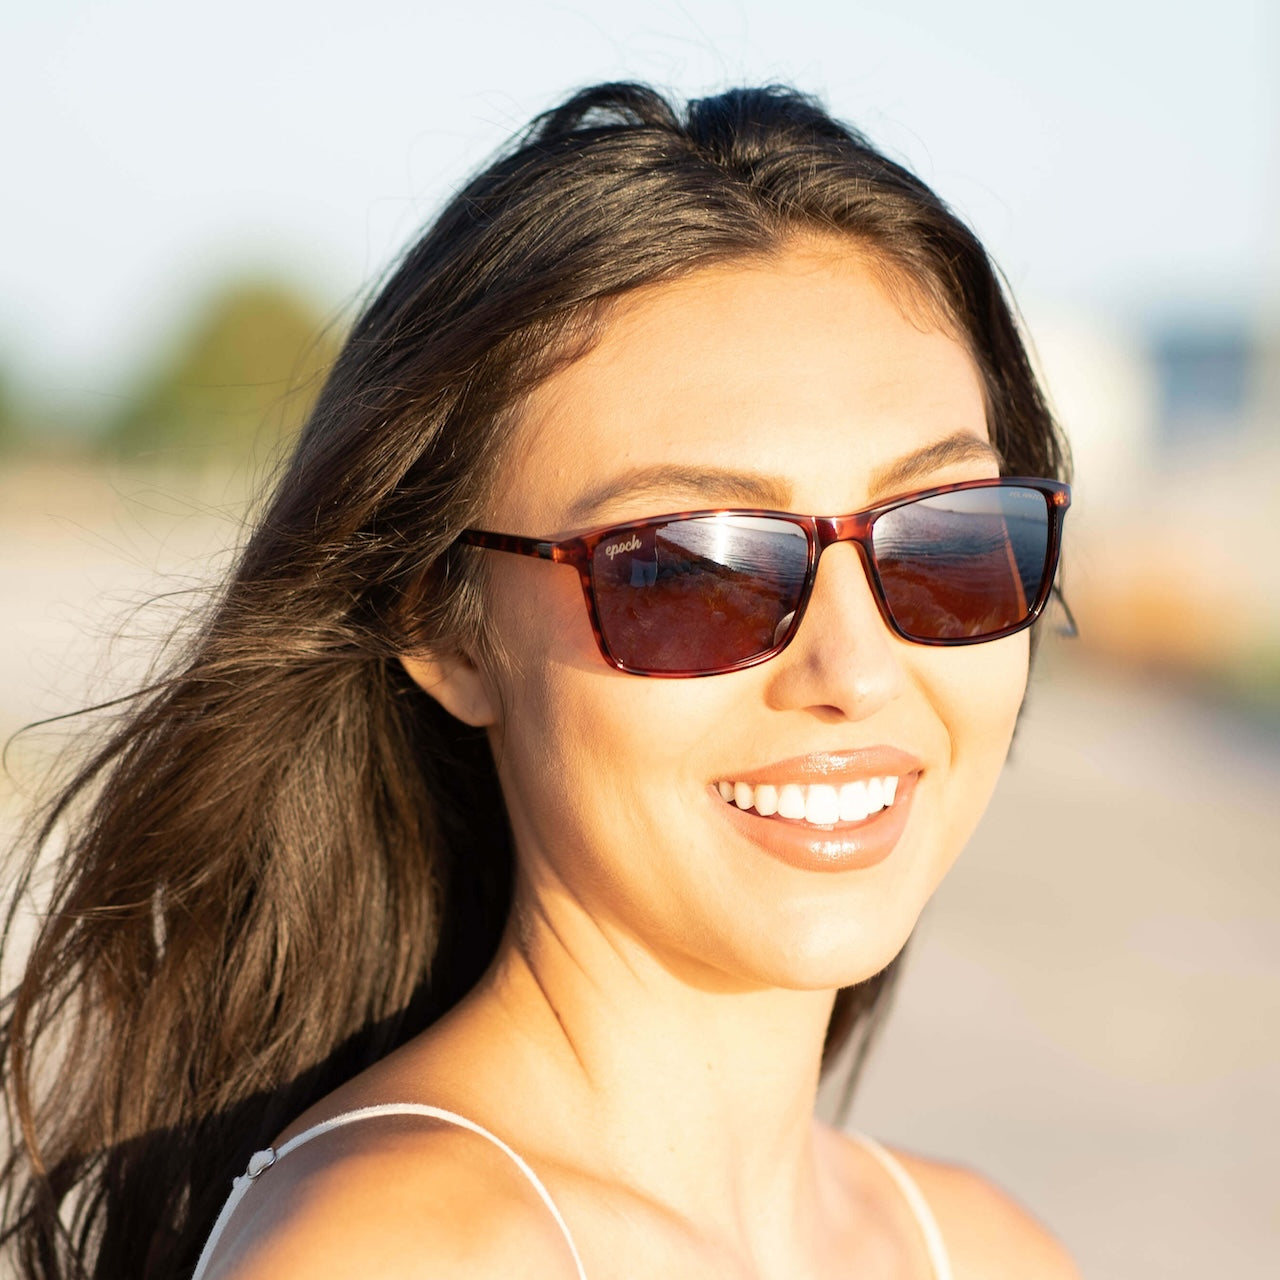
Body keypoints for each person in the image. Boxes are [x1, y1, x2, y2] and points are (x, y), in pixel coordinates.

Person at [0, 83, 1079, 1278]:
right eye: (687, 568)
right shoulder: (391, 1254)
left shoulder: (983, 1247)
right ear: (444, 628)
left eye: (942, 538)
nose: (857, 669)